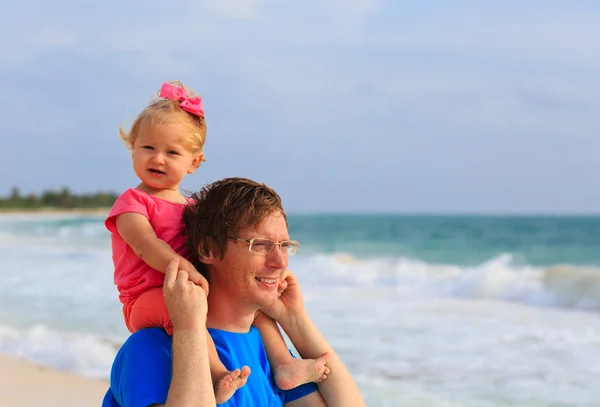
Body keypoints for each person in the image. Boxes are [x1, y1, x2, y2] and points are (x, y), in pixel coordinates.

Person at [105, 82, 327, 403]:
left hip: (187, 288)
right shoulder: (133, 203)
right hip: (145, 296)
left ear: (194, 163)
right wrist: (180, 267)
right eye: (148, 148)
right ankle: (215, 372)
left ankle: (284, 363)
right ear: (132, 147)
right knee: (188, 314)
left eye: (172, 152)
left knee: (257, 309)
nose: (159, 159)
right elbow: (145, 244)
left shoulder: (191, 208)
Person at [102, 177, 367, 406]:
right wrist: (188, 329)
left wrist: (295, 319)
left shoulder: (268, 353)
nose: (281, 262)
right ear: (208, 250)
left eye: (284, 245)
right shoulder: (150, 348)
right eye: (260, 244)